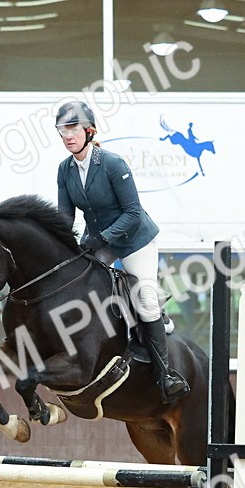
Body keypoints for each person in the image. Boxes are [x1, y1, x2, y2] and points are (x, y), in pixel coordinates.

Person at [54, 100, 189, 403]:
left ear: (89, 131)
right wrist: (62, 245)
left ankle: (165, 374)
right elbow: (65, 217)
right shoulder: (65, 170)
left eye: (73, 128)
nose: (67, 136)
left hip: (134, 240)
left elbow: (132, 213)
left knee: (145, 298)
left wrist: (99, 239)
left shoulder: (113, 164)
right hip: (99, 242)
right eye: (63, 130)